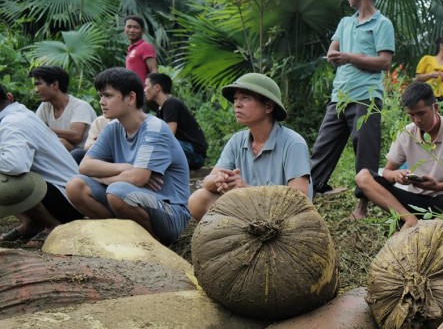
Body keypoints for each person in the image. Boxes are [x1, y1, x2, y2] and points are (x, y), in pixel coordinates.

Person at [66, 68, 191, 245]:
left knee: (118, 192)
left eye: (108, 96)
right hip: (131, 197)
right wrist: (124, 167)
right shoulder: (112, 127)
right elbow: (85, 166)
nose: (101, 102)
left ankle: (153, 246)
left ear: (131, 98)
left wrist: (104, 178)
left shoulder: (154, 129)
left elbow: (137, 178)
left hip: (170, 211)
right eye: (101, 96)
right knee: (75, 186)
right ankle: (122, 238)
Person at [309, 0, 395, 201]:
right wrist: (342, 55)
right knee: (322, 147)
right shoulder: (345, 23)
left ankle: (363, 204)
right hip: (340, 96)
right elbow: (332, 51)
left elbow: (385, 62)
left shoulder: (382, 23)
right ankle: (308, 193)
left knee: (365, 153)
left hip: (366, 97)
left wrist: (349, 58)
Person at [353, 83, 443, 228]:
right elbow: (388, 171)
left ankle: (440, 223)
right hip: (415, 201)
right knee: (362, 177)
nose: (416, 120)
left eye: (421, 113)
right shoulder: (406, 133)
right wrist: (396, 175)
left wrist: (438, 186)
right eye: (411, 115)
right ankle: (409, 219)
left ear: (435, 108)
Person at [188, 73, 310, 222]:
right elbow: (208, 181)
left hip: (284, 220)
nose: (237, 104)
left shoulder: (293, 143)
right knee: (199, 199)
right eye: (235, 99)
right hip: (248, 215)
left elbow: (299, 196)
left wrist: (248, 190)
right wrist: (220, 179)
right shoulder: (236, 141)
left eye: (245, 98)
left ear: (268, 106)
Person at [0, 82, 83, 243]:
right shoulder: (20, 114)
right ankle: (32, 223)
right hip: (68, 195)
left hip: (67, 202)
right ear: (9, 97)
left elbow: (15, 165)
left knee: (8, 179)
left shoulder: (12, 123)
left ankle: (52, 225)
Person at [144, 73, 208, 170]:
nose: (144, 90)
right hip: (186, 152)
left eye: (146, 86)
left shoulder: (171, 103)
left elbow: (168, 135)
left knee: (157, 143)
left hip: (195, 155)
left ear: (157, 87)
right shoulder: (162, 108)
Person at [30, 65, 96, 153]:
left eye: (38, 84)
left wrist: (46, 130)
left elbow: (77, 136)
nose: (36, 90)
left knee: (61, 142)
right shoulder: (45, 106)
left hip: (83, 155)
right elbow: (34, 129)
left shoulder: (80, 106)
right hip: (62, 154)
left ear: (55, 85)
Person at [124, 15, 158, 83]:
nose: (132, 30)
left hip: (142, 91)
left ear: (142, 31)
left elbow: (154, 71)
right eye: (129, 27)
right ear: (124, 29)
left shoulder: (145, 46)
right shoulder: (131, 49)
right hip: (132, 91)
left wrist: (151, 91)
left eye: (136, 27)